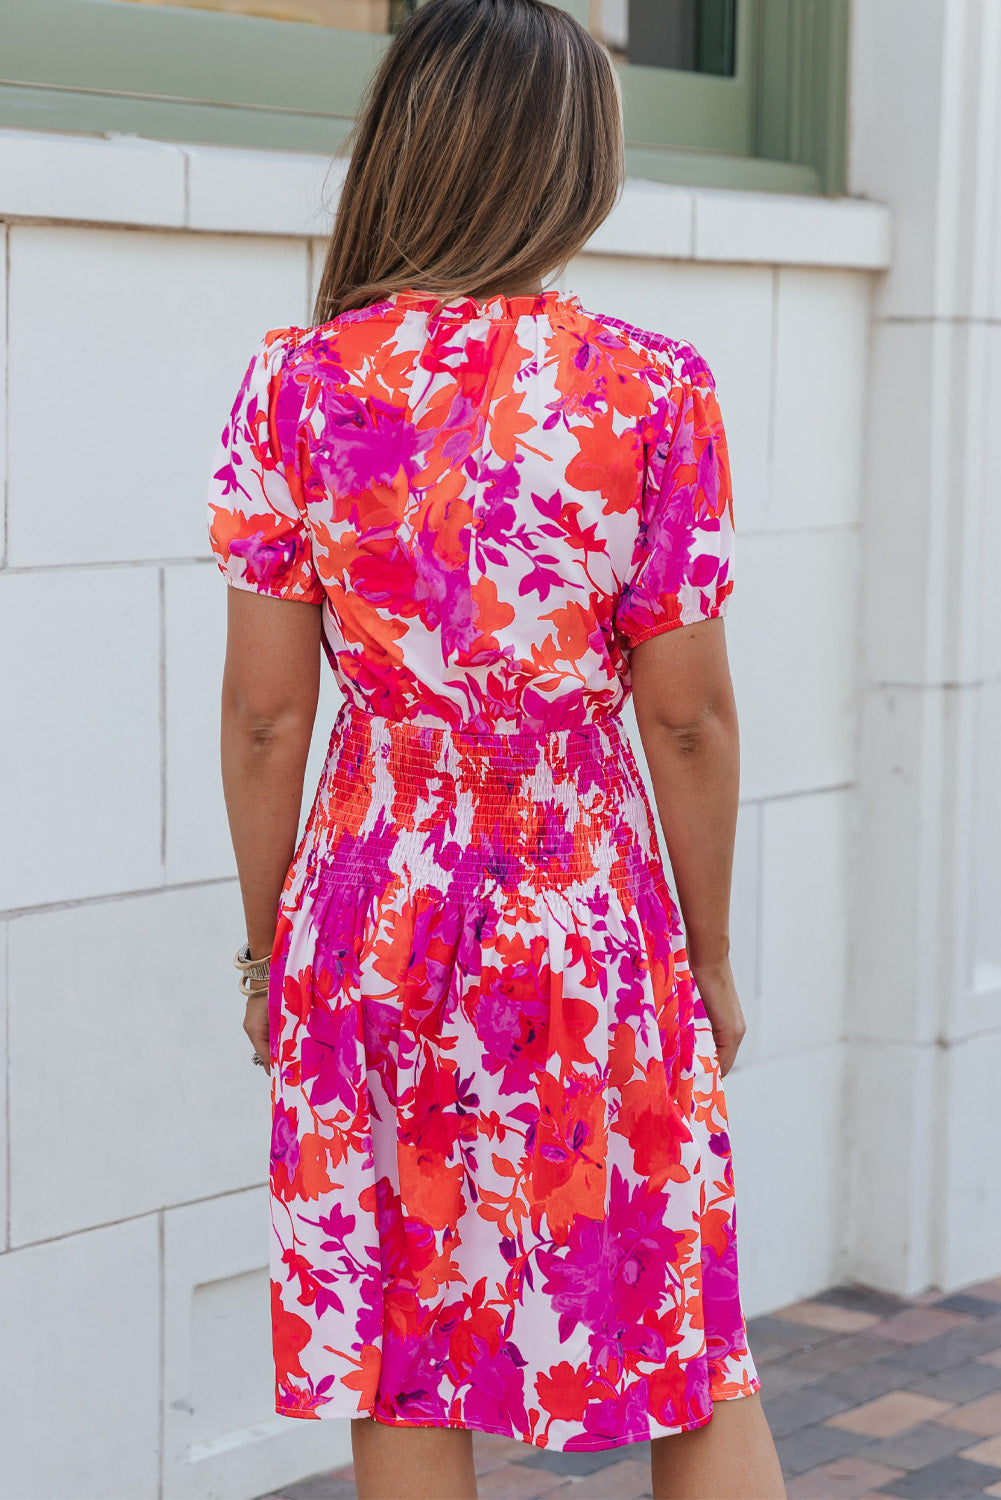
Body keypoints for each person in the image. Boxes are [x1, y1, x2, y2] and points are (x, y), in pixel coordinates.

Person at [207, 1, 785, 1496]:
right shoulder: (650, 390)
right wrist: (707, 949)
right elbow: (688, 713)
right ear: (568, 168)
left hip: (371, 909)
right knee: (676, 1328)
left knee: (404, 1333)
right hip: (583, 911)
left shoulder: (297, 383)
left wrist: (269, 941)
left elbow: (269, 712)